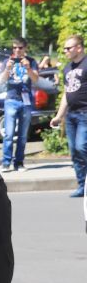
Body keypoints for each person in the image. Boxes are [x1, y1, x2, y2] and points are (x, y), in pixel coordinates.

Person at [50, 34, 87, 196]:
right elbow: (67, 93)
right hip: (71, 116)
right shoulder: (67, 68)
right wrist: (59, 116)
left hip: (85, 114)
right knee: (74, 151)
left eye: (68, 48)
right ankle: (82, 186)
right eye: (64, 48)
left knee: (81, 147)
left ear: (78, 48)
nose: (65, 51)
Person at [0, 36, 39, 173]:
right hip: (11, 100)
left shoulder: (31, 62)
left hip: (26, 101)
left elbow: (36, 79)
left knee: (22, 134)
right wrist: (7, 69)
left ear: (25, 48)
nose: (17, 50)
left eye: (20, 48)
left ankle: (19, 162)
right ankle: (6, 162)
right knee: (8, 134)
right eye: (14, 48)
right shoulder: (7, 62)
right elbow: (1, 81)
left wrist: (28, 68)